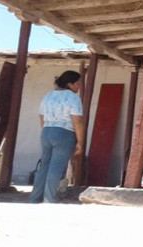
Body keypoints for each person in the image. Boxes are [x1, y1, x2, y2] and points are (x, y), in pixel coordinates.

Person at [29, 71, 85, 203]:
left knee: (44, 166)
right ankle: (50, 198)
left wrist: (46, 131)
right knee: (57, 167)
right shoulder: (73, 98)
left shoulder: (48, 96)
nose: (79, 86)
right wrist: (80, 142)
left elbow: (41, 117)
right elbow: (77, 121)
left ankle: (35, 198)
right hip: (64, 133)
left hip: (47, 131)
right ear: (69, 84)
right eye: (77, 83)